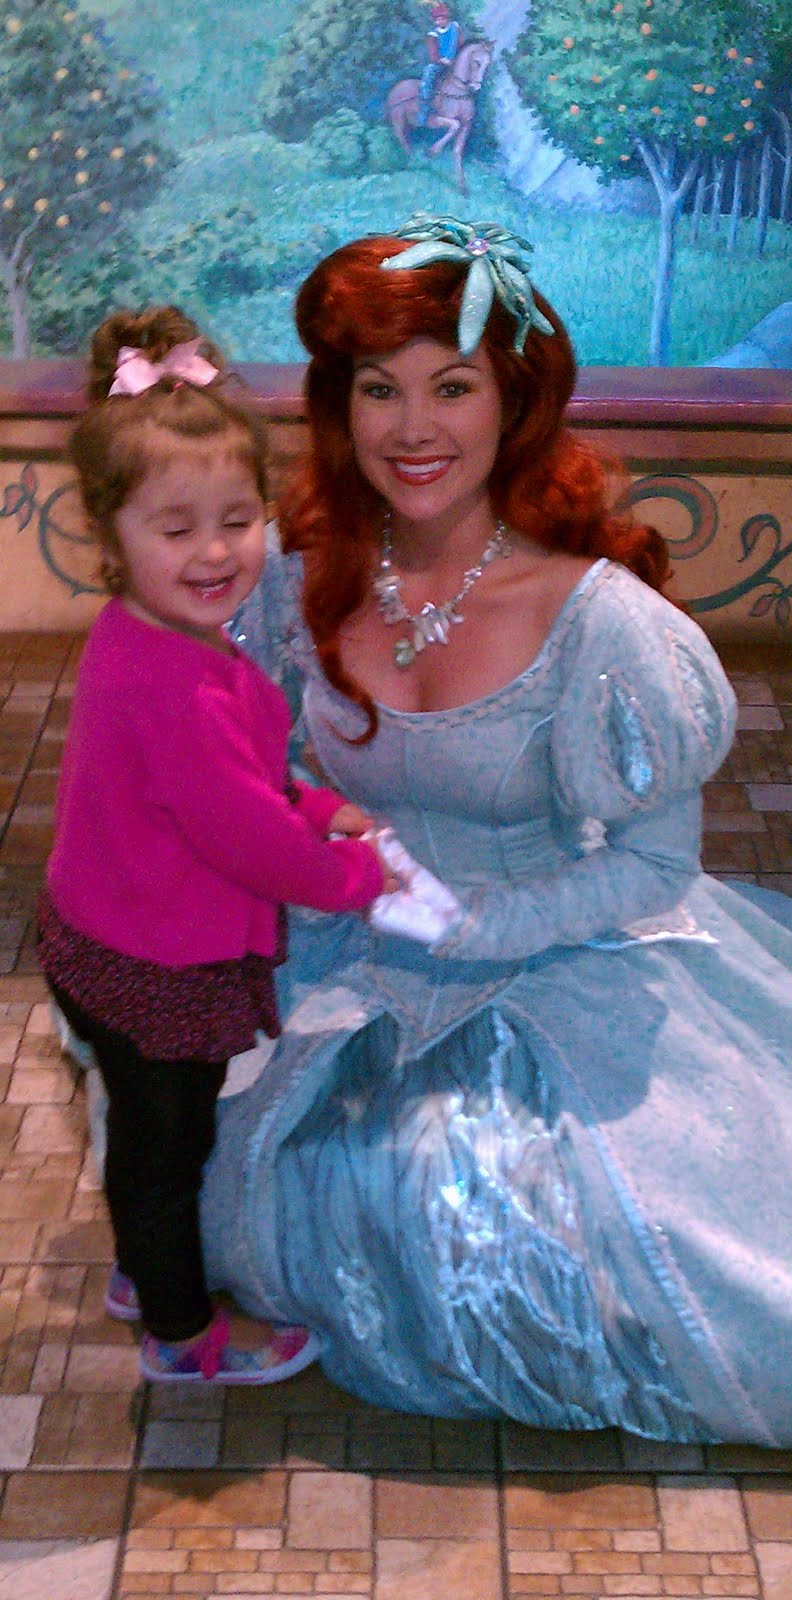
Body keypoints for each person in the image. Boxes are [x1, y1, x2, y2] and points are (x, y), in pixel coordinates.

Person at [204, 213, 792, 1460]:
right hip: (350, 949)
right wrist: (304, 858)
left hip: (563, 957)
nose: (413, 428)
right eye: (378, 388)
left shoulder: (601, 623)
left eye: (451, 387)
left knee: (590, 1233)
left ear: (513, 402)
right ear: (336, 405)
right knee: (232, 1155)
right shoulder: (294, 581)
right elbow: (240, 773)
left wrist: (485, 925)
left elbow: (650, 866)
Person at [40, 306, 400, 1386]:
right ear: (110, 537)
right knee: (171, 1152)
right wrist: (361, 871)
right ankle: (180, 1333)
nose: (214, 551)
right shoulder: (182, 684)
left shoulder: (147, 636)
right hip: (153, 966)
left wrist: (312, 802)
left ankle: (140, 1272)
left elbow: (229, 786)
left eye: (238, 520)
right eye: (177, 527)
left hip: (98, 937)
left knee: (147, 1139)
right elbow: (250, 844)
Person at [418, 0, 462, 125]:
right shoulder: (433, 35)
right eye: (437, 20)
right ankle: (425, 110)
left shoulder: (454, 28)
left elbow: (460, 44)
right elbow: (433, 54)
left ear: (446, 18)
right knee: (428, 77)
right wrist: (443, 60)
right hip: (440, 64)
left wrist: (455, 59)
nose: (440, 21)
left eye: (442, 19)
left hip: (456, 62)